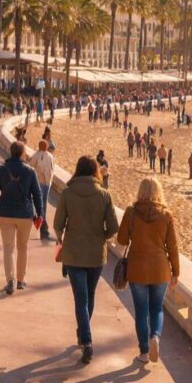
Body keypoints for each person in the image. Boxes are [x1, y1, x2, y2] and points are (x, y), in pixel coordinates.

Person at [53, 156, 119, 365]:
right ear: (95, 172)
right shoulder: (104, 195)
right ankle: (84, 335)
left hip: (73, 253)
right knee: (89, 296)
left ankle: (86, 340)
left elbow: (57, 224)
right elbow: (114, 227)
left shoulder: (68, 193)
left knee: (80, 299)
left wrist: (61, 238)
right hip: (96, 255)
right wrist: (102, 236)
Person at [116, 177, 179, 364]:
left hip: (137, 269)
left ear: (140, 191)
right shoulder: (166, 215)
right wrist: (176, 272)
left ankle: (144, 352)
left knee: (141, 310)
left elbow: (121, 240)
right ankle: (155, 337)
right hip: (160, 269)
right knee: (157, 308)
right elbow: (173, 247)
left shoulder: (131, 212)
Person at [0, 141, 43, 294]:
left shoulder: (1, 169)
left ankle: (10, 280)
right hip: (25, 213)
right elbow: (37, 194)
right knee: (22, 247)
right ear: (23, 153)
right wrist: (40, 214)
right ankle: (20, 280)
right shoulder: (30, 171)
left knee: (8, 248)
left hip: (5, 213)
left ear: (11, 152)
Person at [29, 140, 55, 239]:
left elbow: (31, 167)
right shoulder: (47, 156)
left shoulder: (37, 156)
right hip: (42, 183)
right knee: (42, 206)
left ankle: (41, 224)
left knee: (42, 206)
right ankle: (43, 227)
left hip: (44, 183)